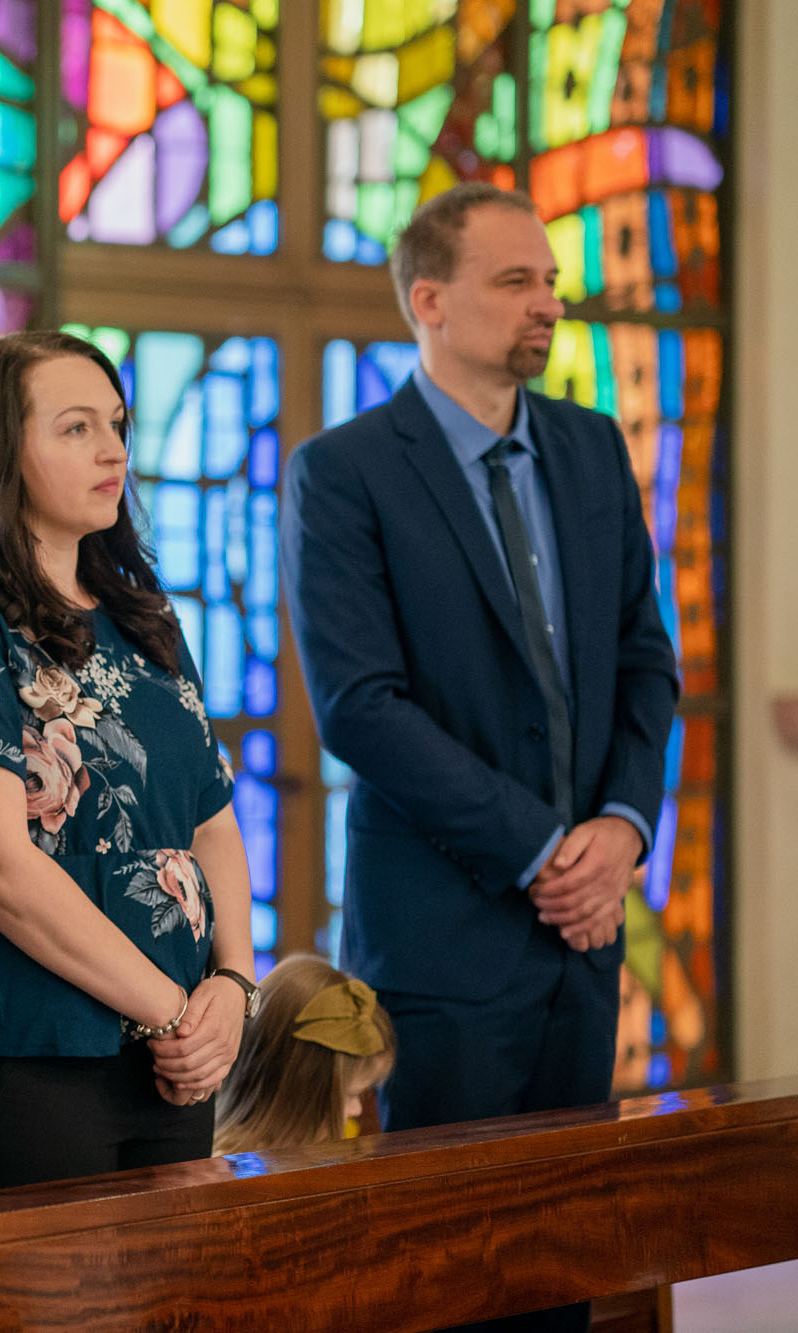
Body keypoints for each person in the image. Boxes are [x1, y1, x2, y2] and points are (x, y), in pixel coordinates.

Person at [281, 184, 679, 1332]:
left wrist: (617, 829)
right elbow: (358, 706)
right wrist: (542, 848)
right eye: (515, 282)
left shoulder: (591, 447)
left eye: (549, 280)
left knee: (560, 1268)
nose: (546, 303)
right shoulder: (345, 468)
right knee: (448, 1279)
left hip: (582, 936)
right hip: (444, 943)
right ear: (428, 301)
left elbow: (641, 662)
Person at [0, 329, 256, 1199]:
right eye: (75, 428)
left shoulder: (143, 615)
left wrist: (234, 986)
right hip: (21, 1043)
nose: (112, 449)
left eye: (117, 423)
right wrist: (173, 1010)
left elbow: (209, 817)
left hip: (173, 1053)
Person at [212, 955, 396, 1155]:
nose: (357, 1110)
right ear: (299, 1090)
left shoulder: (326, 1145)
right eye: (350, 1095)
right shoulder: (232, 1169)